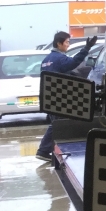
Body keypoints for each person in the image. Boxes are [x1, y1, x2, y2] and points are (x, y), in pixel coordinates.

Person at [36, 32, 98, 160]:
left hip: (49, 97)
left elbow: (60, 73)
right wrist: (87, 48)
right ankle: (43, 151)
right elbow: (74, 62)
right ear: (59, 43)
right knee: (58, 124)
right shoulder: (60, 58)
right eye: (67, 42)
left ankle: (47, 150)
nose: (68, 45)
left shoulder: (46, 60)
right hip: (60, 98)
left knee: (56, 123)